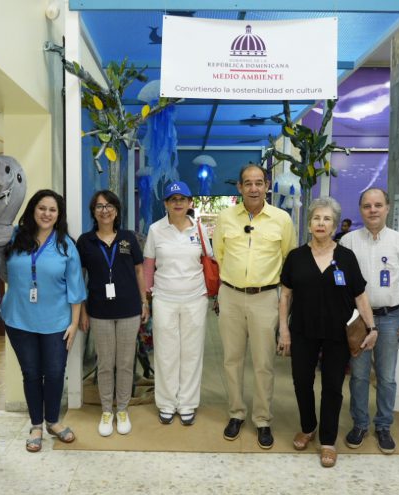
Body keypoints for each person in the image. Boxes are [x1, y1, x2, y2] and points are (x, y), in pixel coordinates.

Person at [277, 197, 377, 467]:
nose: (321, 223)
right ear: (309, 224)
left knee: (332, 387)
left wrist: (372, 327)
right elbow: (285, 296)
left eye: (327, 219)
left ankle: (328, 441)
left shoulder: (346, 257)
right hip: (302, 330)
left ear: (334, 225)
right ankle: (308, 427)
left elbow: (360, 296)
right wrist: (283, 330)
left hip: (337, 333)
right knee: (301, 382)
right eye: (316, 218)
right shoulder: (296, 257)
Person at [213, 164, 296, 449]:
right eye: (247, 183)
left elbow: (289, 261)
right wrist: (233, 283)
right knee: (232, 360)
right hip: (231, 296)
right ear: (239, 187)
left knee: (263, 363)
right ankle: (236, 413)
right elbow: (219, 255)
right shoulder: (225, 218)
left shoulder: (282, 219)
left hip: (265, 298)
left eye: (259, 183)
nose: (253, 188)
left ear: (267, 185)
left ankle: (262, 420)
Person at [339, 187, 399, 454]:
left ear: (388, 208)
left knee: (387, 377)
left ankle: (384, 426)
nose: (373, 210)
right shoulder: (348, 242)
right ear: (361, 210)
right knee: (359, 375)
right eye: (367, 206)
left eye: (378, 205)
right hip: (358, 320)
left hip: (389, 318)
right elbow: (339, 283)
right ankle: (360, 424)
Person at [1, 189, 86, 452]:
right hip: (19, 319)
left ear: (58, 215)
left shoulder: (65, 244)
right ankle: (36, 424)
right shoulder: (15, 237)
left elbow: (76, 287)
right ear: (32, 210)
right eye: (42, 208)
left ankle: (53, 421)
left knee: (54, 372)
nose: (46, 214)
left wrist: (73, 324)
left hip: (57, 322)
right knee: (31, 373)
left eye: (52, 210)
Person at [77, 190, 149, 437]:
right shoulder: (85, 241)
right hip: (99, 311)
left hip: (129, 309)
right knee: (106, 363)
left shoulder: (128, 238)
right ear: (94, 212)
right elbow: (80, 279)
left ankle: (122, 410)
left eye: (109, 206)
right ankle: (107, 411)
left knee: (126, 363)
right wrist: (83, 311)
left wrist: (144, 302)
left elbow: (139, 271)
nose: (104, 210)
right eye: (99, 206)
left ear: (117, 211)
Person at [143, 181, 211, 426]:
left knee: (191, 353)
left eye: (182, 199)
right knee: (166, 352)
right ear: (166, 204)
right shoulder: (155, 230)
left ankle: (187, 404)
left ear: (190, 203)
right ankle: (166, 403)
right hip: (164, 299)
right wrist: (147, 299)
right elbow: (149, 266)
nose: (178, 203)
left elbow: (208, 261)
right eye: (173, 199)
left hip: (195, 298)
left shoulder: (200, 230)